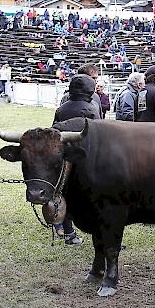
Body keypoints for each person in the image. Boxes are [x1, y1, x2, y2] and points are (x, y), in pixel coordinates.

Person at [52, 74, 101, 246]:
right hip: (90, 157)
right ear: (90, 91)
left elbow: (54, 133)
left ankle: (68, 233)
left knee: (66, 193)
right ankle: (100, 232)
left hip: (66, 158)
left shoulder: (62, 109)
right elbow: (100, 134)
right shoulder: (93, 108)